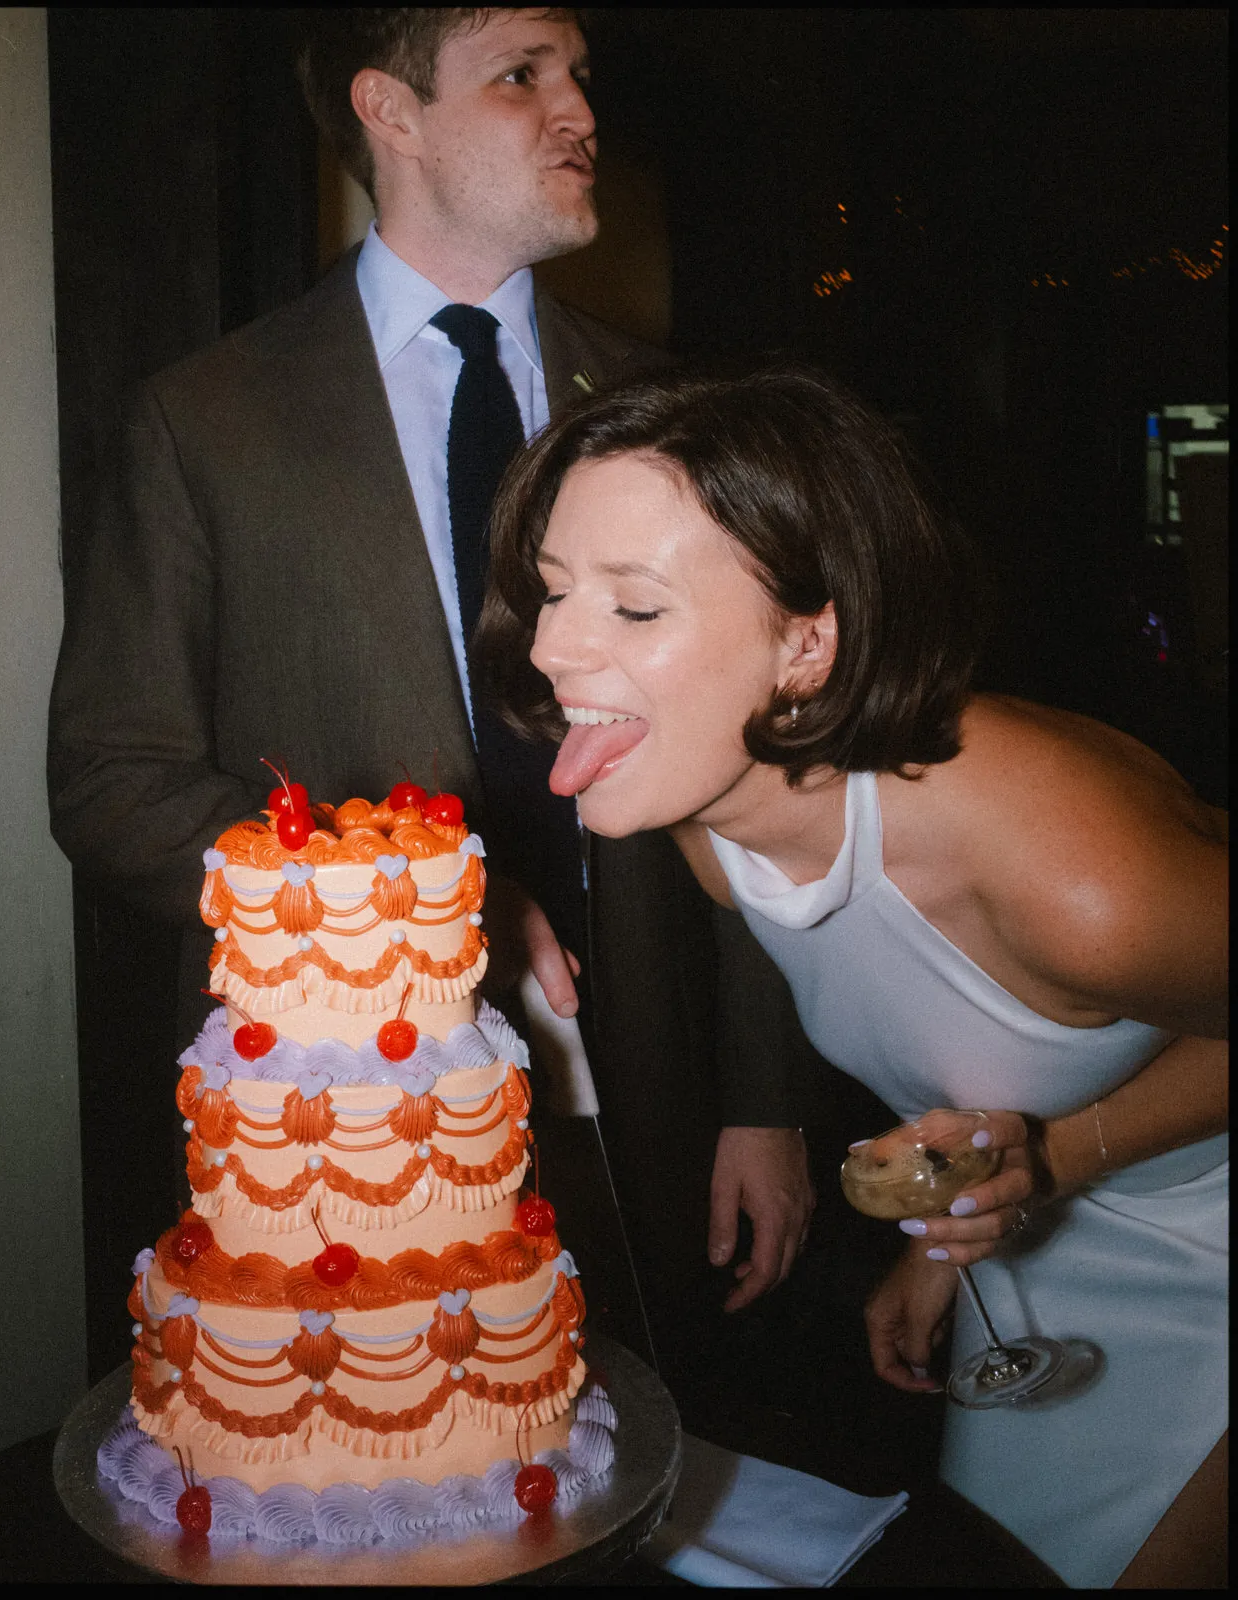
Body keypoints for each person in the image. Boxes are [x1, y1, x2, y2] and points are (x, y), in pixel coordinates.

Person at [47, 8, 814, 1393]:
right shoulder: (206, 418)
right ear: (389, 112)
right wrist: (408, 912)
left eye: (577, 73)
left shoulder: (667, 404)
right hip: (355, 1114)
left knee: (653, 1444)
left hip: (653, 1083)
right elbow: (112, 777)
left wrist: (765, 1100)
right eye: (523, 73)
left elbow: (749, 770)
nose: (579, 109)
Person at [476, 363, 1228, 1589]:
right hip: (1035, 1247)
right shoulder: (712, 824)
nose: (550, 646)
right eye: (554, 591)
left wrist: (1056, 1158)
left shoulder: (1071, 877)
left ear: (805, 642)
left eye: (634, 607)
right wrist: (947, 1241)